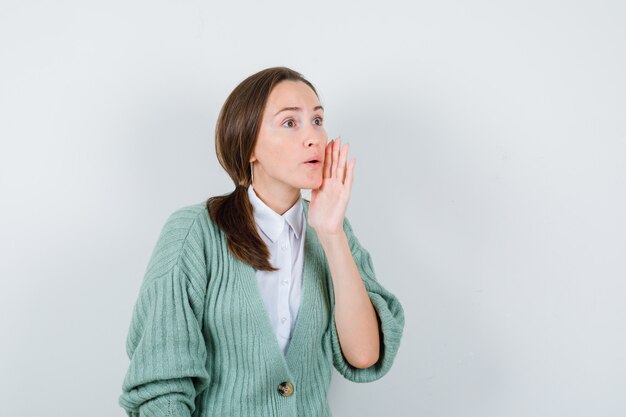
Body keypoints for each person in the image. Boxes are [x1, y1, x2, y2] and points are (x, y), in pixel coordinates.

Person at [118, 66, 405, 417]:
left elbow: (363, 355)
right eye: (290, 123)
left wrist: (331, 235)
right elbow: (160, 384)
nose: (313, 137)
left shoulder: (334, 231)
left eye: (317, 120)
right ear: (250, 144)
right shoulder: (194, 232)